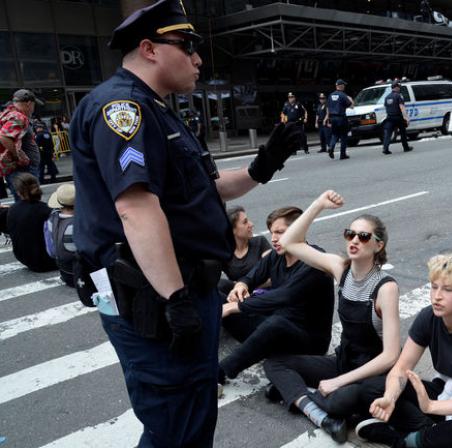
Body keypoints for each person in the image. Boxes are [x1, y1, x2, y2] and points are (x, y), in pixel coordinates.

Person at [68, 1, 302, 445]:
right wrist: (175, 298)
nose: (198, 59)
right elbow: (135, 209)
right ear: (149, 49)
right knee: (174, 423)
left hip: (185, 292)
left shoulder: (160, 109)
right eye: (187, 46)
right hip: (155, 301)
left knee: (190, 415)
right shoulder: (123, 109)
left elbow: (204, 191)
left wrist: (263, 165)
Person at [263, 190, 401, 443]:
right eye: (350, 234)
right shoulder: (340, 269)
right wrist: (318, 204)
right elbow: (291, 242)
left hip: (371, 372)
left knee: (338, 401)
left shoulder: (386, 288)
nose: (354, 240)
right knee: (274, 363)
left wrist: (338, 381)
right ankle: (315, 410)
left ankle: (295, 395)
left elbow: (391, 356)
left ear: (378, 245)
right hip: (344, 360)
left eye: (363, 236)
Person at [356, 253, 452, 448]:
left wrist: (431, 406)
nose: (437, 296)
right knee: (372, 388)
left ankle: (403, 440)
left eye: (447, 289)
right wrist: (390, 397)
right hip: (445, 390)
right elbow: (401, 368)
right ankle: (429, 433)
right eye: (433, 286)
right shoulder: (428, 317)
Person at [218, 206, 335, 386]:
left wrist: (237, 306)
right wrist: (241, 285)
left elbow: (284, 296)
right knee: (221, 292)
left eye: (280, 232)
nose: (273, 239)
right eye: (272, 232)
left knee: (273, 322)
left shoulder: (315, 261)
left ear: (299, 230)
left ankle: (220, 372)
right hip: (276, 327)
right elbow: (252, 276)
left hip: (308, 342)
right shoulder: (276, 255)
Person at [6, 173, 56, 272]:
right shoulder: (46, 210)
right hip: (47, 261)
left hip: (23, 258)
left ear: (18, 192)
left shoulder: (12, 209)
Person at [217, 205, 270, 297]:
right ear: (232, 230)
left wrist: (242, 285)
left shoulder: (260, 242)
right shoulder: (224, 252)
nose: (251, 224)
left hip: (263, 294)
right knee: (220, 285)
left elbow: (272, 277)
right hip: (238, 296)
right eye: (245, 222)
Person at [1, 89, 40, 201]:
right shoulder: (18, 117)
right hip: (23, 171)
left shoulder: (8, 114)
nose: (33, 109)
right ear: (29, 103)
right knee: (29, 203)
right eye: (33, 105)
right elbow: (4, 136)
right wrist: (17, 156)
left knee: (24, 203)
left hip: (19, 171)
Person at [44, 183, 77, 286]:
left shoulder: (51, 220)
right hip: (80, 273)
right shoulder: (79, 224)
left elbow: (51, 251)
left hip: (64, 270)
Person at [325, 79, 354, 160]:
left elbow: (328, 107)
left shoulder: (330, 95)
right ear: (340, 86)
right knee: (343, 136)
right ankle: (342, 154)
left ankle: (331, 147)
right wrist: (350, 99)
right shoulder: (343, 95)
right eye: (343, 85)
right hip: (341, 118)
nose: (344, 86)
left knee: (335, 134)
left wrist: (328, 118)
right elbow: (350, 105)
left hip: (332, 118)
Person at [382, 81, 412, 155]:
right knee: (403, 133)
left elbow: (386, 108)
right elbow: (402, 108)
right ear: (396, 87)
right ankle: (406, 147)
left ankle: (385, 149)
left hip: (389, 117)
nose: (399, 88)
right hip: (398, 117)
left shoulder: (387, 97)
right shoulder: (399, 96)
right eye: (399, 87)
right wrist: (406, 118)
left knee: (387, 134)